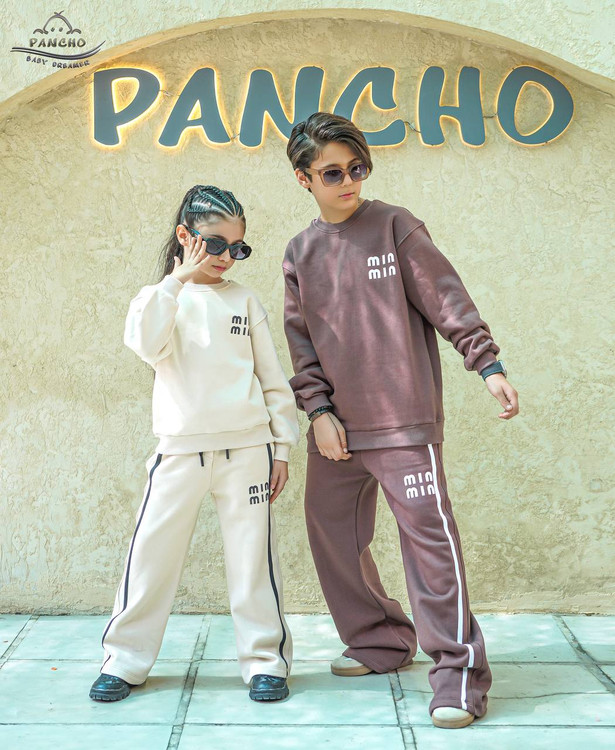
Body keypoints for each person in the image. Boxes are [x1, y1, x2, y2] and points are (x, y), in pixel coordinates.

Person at [282, 113, 519, 729]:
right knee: (334, 537)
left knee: (430, 547)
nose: (349, 182)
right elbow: (302, 345)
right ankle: (380, 639)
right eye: (333, 173)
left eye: (357, 168)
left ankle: (459, 673)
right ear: (304, 178)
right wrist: (319, 411)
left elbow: (447, 299)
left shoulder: (395, 226)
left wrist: (487, 365)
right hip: (338, 429)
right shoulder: (301, 252)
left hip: (405, 422)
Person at [89, 185, 299, 704]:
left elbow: (273, 381)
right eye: (215, 244)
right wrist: (177, 279)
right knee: (150, 555)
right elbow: (145, 343)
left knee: (253, 560)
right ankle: (124, 660)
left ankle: (265, 661)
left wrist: (281, 448)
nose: (226, 257)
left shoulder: (245, 300)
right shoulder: (160, 298)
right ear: (185, 236)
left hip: (248, 451)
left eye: (238, 247)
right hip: (179, 451)